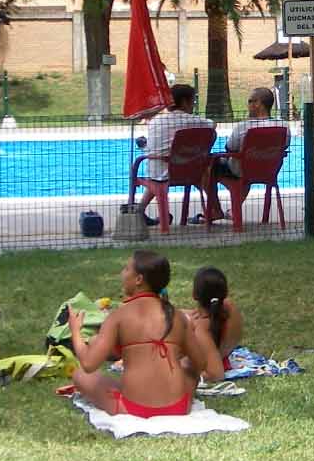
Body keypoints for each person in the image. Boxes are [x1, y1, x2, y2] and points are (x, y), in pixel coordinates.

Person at [67, 251, 223, 419]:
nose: (122, 273)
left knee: (80, 375)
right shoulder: (177, 315)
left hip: (134, 409)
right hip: (178, 407)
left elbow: (89, 364)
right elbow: (199, 363)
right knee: (189, 367)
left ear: (139, 280)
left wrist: (76, 330)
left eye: (126, 269)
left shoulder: (118, 315)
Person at [135, 84, 214, 224]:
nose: (194, 104)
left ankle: (140, 211)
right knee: (206, 170)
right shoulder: (194, 121)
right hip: (188, 172)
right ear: (184, 102)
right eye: (193, 101)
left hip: (158, 171)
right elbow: (212, 125)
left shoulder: (155, 121)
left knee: (158, 177)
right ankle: (214, 209)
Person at [208, 87, 290, 222]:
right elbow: (284, 146)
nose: (248, 105)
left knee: (209, 167)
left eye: (250, 101)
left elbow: (229, 148)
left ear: (258, 104)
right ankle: (233, 210)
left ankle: (215, 211)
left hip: (241, 171)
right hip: (268, 171)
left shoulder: (243, 127)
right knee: (247, 166)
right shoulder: (284, 126)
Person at [185, 266, 244, 371]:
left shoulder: (200, 328)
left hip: (209, 364)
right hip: (224, 359)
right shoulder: (229, 310)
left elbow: (216, 373)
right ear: (225, 293)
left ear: (194, 295)